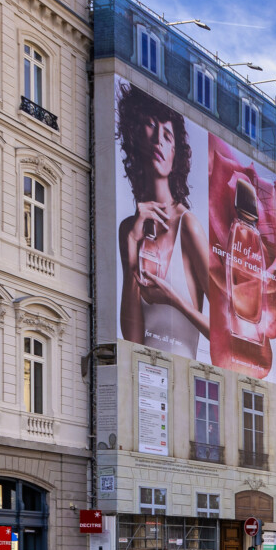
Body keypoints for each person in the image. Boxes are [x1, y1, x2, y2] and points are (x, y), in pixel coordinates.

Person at [117, 81, 212, 358]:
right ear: (136, 135)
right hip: (142, 384)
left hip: (185, 383)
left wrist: (175, 300)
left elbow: (223, 334)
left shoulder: (188, 226)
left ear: (175, 154)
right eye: (150, 125)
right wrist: (131, 248)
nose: (159, 138)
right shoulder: (129, 228)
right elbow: (132, 338)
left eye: (168, 135)